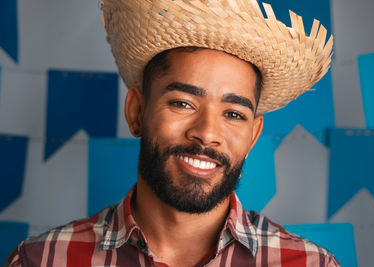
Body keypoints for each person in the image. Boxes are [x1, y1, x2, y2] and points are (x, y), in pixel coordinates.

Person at [4, 0, 338, 266]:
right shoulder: (40, 260)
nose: (207, 133)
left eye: (233, 114)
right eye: (182, 103)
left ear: (253, 136)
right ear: (136, 112)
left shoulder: (310, 264)